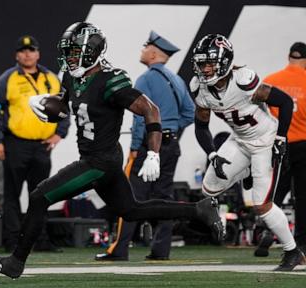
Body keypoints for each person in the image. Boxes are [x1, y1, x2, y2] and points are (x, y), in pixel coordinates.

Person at [0, 22, 223, 279]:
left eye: (75, 53)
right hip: (98, 157)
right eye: (68, 52)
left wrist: (153, 152)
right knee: (131, 210)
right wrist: (49, 110)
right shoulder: (72, 76)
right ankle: (199, 209)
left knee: (40, 196)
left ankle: (15, 263)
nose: (69, 58)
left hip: (100, 161)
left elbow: (151, 109)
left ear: (92, 52)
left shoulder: (110, 80)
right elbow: (66, 106)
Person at [191, 33, 305, 271]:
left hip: (264, 141)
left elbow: (283, 102)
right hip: (239, 140)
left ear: (224, 61)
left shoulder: (243, 80)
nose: (205, 69)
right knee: (209, 187)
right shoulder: (199, 88)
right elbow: (201, 127)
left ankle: (292, 251)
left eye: (210, 63)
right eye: (202, 63)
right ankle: (246, 173)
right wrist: (212, 154)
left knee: (261, 205)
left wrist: (281, 138)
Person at [95, 31, 194, 261]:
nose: (142, 51)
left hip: (147, 147)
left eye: (144, 47)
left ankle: (119, 250)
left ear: (153, 52)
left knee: (128, 197)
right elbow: (189, 113)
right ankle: (161, 251)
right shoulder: (177, 79)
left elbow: (141, 117)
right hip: (171, 146)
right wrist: (169, 130)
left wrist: (135, 145)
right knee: (164, 198)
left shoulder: (145, 79)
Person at [0, 35, 70, 252]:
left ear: (38, 53)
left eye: (31, 50)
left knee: (41, 194)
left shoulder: (50, 78)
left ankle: (40, 240)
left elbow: (64, 107)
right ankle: (12, 241)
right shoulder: (8, 78)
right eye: (23, 51)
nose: (27, 54)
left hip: (42, 146)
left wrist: (59, 133)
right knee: (12, 195)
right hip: (15, 145)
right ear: (17, 55)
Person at [254, 42, 306, 257]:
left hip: (276, 144)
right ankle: (300, 243)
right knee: (303, 197)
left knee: (274, 191)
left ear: (288, 56)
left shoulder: (272, 80)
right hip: (304, 144)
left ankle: (267, 229)